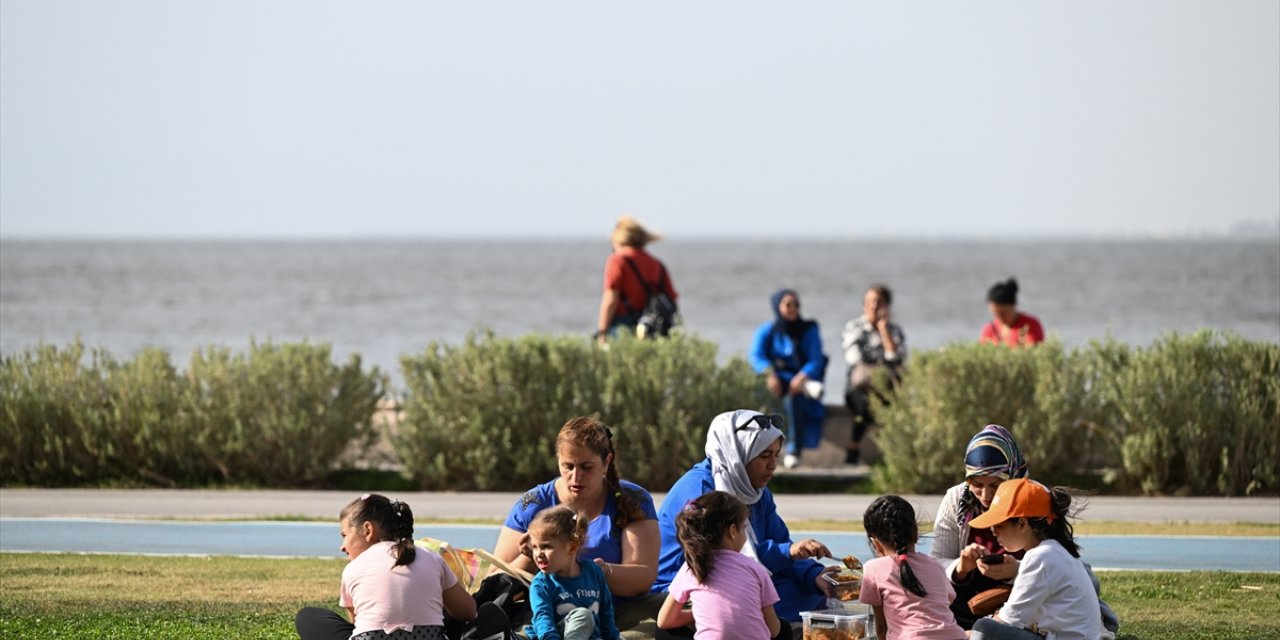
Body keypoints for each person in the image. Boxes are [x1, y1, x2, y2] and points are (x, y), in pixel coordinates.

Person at [654, 410, 838, 630]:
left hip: (739, 572)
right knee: (777, 602)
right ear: (737, 453)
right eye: (764, 456)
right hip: (688, 583)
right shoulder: (703, 494)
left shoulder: (755, 490)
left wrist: (813, 574)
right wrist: (787, 552)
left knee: (809, 592)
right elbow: (720, 561)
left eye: (776, 455)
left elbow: (779, 542)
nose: (773, 465)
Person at [929, 425, 1118, 634]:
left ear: (1022, 523)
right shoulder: (956, 499)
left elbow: (1072, 570)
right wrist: (961, 568)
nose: (985, 495)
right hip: (980, 599)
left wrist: (1017, 571)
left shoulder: (1029, 498)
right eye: (977, 484)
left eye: (995, 485)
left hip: (1023, 599)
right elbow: (936, 565)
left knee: (984, 629)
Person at [493, 416, 663, 632]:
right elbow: (495, 583)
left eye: (586, 467)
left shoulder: (633, 500)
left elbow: (643, 579)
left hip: (616, 618)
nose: (576, 476)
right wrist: (530, 556)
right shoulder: (532, 504)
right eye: (568, 466)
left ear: (606, 461)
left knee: (677, 612)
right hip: (548, 619)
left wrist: (599, 572)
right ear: (558, 461)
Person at [295, 493, 478, 640]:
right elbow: (469, 612)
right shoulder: (432, 557)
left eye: (344, 535)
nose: (342, 546)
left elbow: (358, 625)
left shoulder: (353, 568)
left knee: (308, 617)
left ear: (368, 530)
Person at [966, 479, 1102, 640]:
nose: (993, 532)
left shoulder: (1040, 557)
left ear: (1022, 524)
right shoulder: (1053, 551)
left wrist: (963, 634)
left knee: (984, 628)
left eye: (999, 525)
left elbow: (1007, 622)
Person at [656, 490, 782, 640]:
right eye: (744, 528)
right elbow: (773, 630)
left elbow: (664, 621)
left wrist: (701, 613)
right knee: (784, 628)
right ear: (733, 531)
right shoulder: (754, 568)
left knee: (663, 633)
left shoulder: (691, 568)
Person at [858, 495, 965, 640]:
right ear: (915, 534)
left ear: (876, 543)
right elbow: (948, 600)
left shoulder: (873, 568)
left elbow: (882, 629)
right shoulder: (935, 565)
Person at [748, 289, 827, 469]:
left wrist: (801, 377)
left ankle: (793, 450)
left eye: (796, 304)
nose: (792, 309)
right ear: (778, 306)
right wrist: (769, 373)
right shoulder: (767, 330)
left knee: (794, 401)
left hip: (800, 381)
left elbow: (816, 359)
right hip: (776, 379)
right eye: (788, 304)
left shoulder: (808, 329)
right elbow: (756, 356)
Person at [524, 505, 620, 640]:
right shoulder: (541, 583)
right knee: (583, 615)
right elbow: (543, 619)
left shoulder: (594, 572)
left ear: (573, 546)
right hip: (554, 636)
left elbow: (606, 615)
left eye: (546, 546)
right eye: (534, 547)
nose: (538, 554)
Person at [841, 283, 907, 465]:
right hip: (859, 387)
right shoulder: (854, 327)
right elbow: (853, 358)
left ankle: (892, 454)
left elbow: (896, 358)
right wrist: (881, 367)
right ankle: (854, 447)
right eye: (870, 301)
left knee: (890, 404)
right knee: (866, 404)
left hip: (886, 388)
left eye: (879, 302)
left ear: (887, 306)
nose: (874, 306)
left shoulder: (894, 331)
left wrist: (884, 330)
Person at [596, 215, 679, 343]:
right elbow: (672, 298)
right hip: (650, 328)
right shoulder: (657, 264)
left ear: (618, 239)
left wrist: (602, 333)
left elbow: (610, 299)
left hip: (621, 327)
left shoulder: (617, 260)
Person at [979, 278, 1044, 347]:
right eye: (995, 313)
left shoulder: (1030, 325)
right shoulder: (989, 330)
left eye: (1003, 313)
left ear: (1013, 305)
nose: (999, 318)